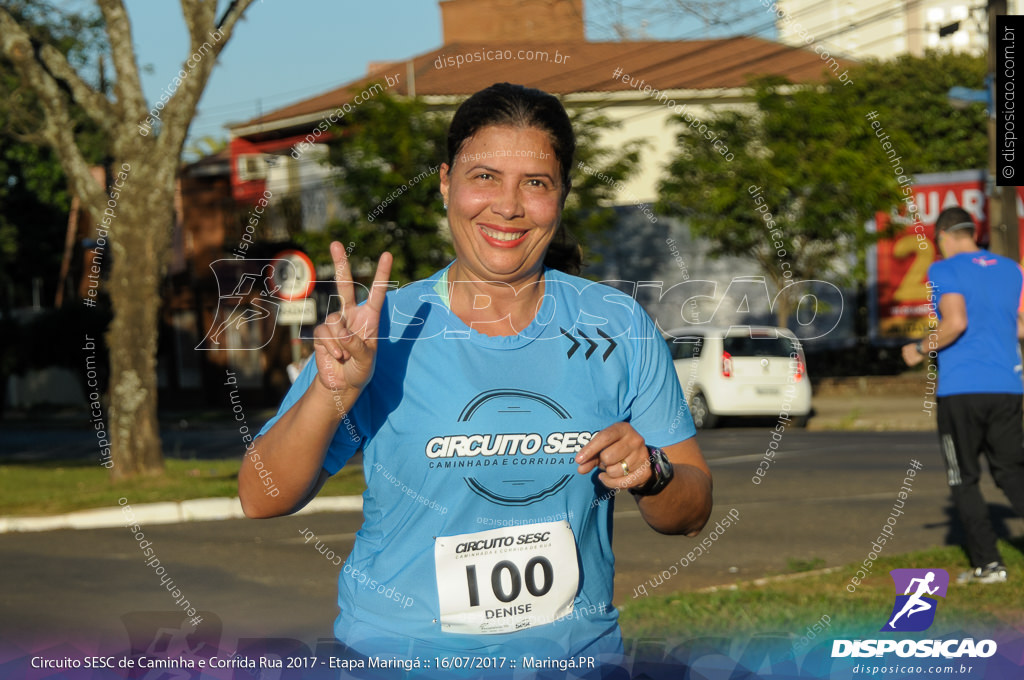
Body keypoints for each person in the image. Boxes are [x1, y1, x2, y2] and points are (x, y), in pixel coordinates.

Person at [239, 83, 712, 672]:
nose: (508, 206)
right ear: (445, 183)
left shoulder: (617, 325)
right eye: (484, 176)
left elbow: (691, 513)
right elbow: (261, 497)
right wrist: (331, 392)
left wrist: (652, 473)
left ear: (562, 194)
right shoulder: (379, 330)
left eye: (535, 183)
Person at [902, 206, 1024, 584]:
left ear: (944, 236)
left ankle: (989, 565)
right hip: (1008, 385)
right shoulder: (1011, 268)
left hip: (962, 388)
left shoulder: (943, 269)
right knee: (1011, 473)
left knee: (964, 477)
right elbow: (1020, 327)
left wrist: (920, 348)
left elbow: (955, 322)